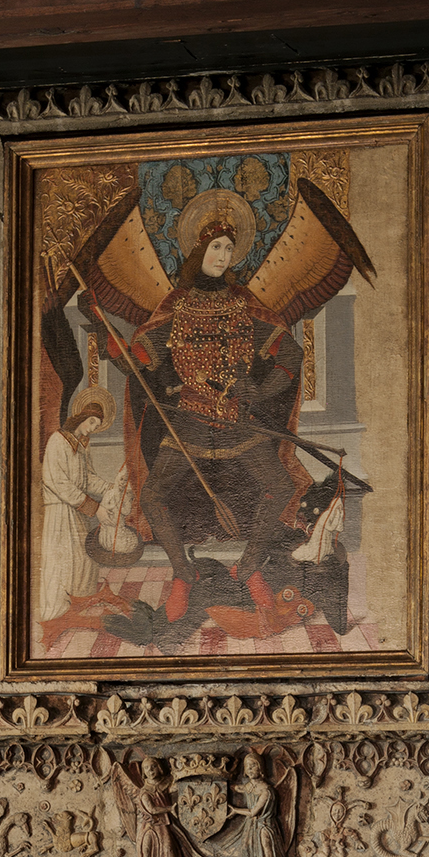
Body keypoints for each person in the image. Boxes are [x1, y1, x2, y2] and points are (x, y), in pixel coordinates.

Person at [120, 191, 309, 626]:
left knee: (279, 487)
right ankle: (183, 574)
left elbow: (291, 355)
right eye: (216, 247)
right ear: (199, 250)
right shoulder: (178, 305)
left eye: (228, 248)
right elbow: (144, 352)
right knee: (151, 495)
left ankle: (248, 569)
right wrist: (135, 359)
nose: (223, 256)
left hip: (237, 422)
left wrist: (259, 393)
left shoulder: (243, 303)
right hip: (188, 420)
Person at [40, 388, 113, 621]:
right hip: (61, 513)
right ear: (80, 417)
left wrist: (111, 488)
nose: (93, 428)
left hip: (79, 513)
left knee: (83, 561)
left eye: (97, 424)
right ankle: (58, 613)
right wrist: (94, 507)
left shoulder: (82, 446)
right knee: (63, 562)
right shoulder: (57, 441)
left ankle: (80, 609)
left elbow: (88, 478)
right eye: (92, 422)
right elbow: (57, 482)